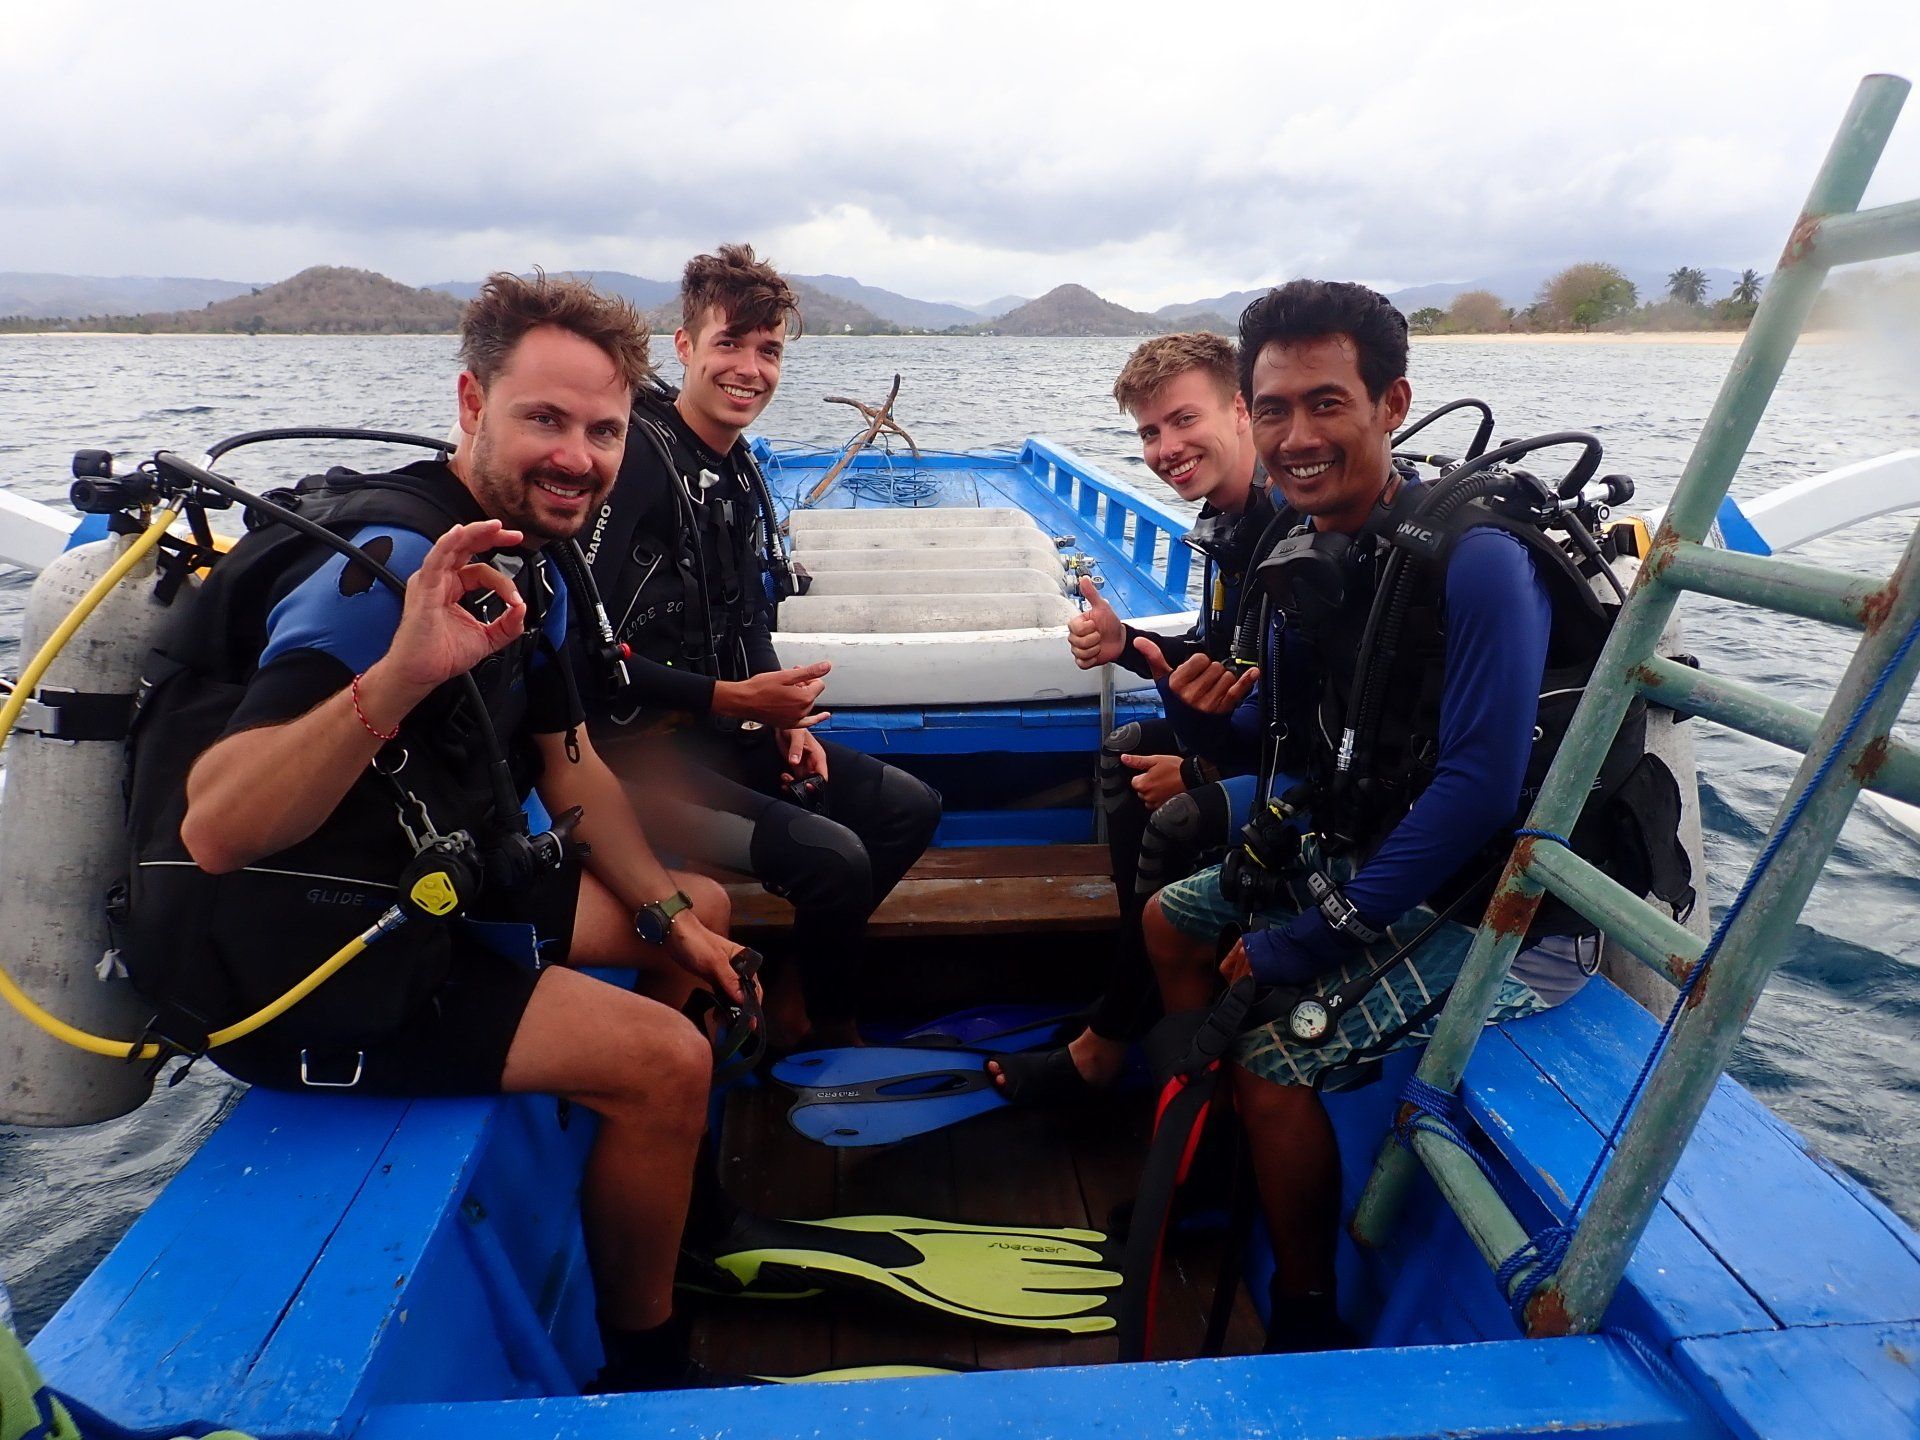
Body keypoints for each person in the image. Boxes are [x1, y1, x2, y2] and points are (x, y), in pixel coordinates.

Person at [123, 273, 747, 1391]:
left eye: (604, 430)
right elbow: (217, 825)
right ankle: (644, 1359)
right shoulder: (390, 570)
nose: (579, 456)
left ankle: (655, 1196)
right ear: (472, 402)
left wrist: (664, 920)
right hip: (304, 958)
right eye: (544, 419)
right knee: (666, 1063)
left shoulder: (526, 558)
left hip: (420, 887)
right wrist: (401, 675)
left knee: (705, 911)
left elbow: (570, 765)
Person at [1140, 280, 1657, 1353]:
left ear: (1391, 402)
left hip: (1511, 907)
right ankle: (1222, 1165)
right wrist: (1180, 702)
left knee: (1274, 1057)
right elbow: (1277, 750)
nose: (1295, 436)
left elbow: (1474, 791)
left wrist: (1309, 937)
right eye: (1273, 409)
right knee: (1171, 921)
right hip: (1386, 853)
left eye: (1326, 404)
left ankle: (1306, 1311)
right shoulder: (1312, 546)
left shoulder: (1476, 556)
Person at [581, 244, 941, 1049]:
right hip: (629, 763)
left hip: (719, 736)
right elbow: (583, 648)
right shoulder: (635, 457)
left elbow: (744, 620)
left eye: (769, 350)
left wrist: (786, 718)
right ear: (684, 347)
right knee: (835, 861)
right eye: (730, 344)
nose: (750, 368)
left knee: (909, 810)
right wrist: (728, 700)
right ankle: (824, 1029)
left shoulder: (738, 469)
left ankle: (795, 990)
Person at [992, 333, 1278, 1100]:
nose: (1167, 448)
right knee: (1125, 748)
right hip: (1255, 742)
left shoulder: (1294, 526)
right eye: (1151, 432)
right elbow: (1220, 661)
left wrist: (1199, 768)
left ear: (1244, 409)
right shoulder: (1232, 526)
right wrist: (1126, 643)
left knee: (1176, 818)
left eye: (1185, 421)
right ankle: (1128, 997)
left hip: (1301, 766)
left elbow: (1307, 705)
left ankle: (1107, 1042)